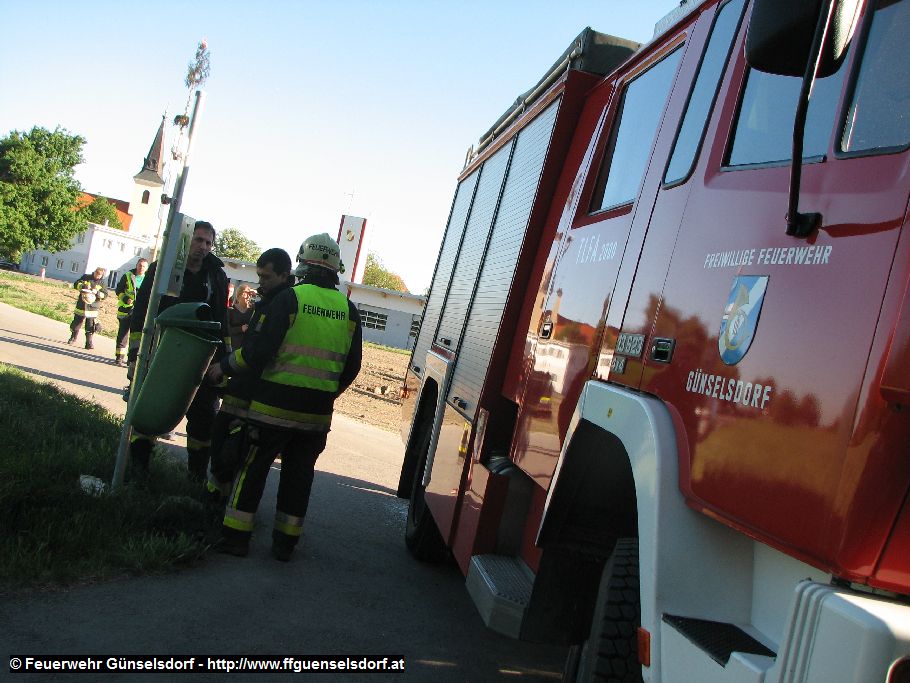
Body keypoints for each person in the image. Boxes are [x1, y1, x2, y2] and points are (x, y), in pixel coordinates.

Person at [207, 233, 362, 561]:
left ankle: (236, 537)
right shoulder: (348, 310)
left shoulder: (290, 299)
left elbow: (258, 352)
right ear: (335, 269)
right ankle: (284, 544)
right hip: (317, 415)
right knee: (299, 477)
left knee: (253, 468)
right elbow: (352, 367)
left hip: (272, 408)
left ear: (302, 264)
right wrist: (327, 393)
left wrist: (224, 367)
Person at [127, 221, 230, 481]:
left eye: (208, 242)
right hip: (163, 355)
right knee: (150, 412)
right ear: (187, 240)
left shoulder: (216, 276)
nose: (203, 247)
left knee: (204, 418)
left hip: (202, 358)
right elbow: (141, 313)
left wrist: (223, 363)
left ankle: (196, 478)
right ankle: (138, 472)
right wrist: (135, 357)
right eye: (198, 240)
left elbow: (222, 321)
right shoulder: (162, 269)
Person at [206, 248, 294, 499]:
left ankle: (216, 501)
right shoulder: (273, 300)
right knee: (224, 447)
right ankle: (216, 497)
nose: (261, 282)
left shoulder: (280, 303)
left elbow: (257, 351)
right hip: (244, 389)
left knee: (230, 453)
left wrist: (224, 367)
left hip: (251, 393)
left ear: (284, 275)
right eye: (259, 276)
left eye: (266, 277)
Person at [113, 258, 149, 366]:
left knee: (135, 336)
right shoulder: (128, 275)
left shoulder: (149, 278)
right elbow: (118, 290)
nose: (141, 268)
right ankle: (119, 357)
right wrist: (125, 299)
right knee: (123, 334)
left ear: (147, 268)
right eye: (140, 265)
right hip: (126, 310)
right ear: (136, 265)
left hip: (140, 312)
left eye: (144, 266)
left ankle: (131, 358)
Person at [67, 267, 108, 349]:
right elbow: (76, 284)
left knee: (90, 325)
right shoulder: (86, 277)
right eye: (96, 274)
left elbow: (105, 295)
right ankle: (73, 337)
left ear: (102, 275)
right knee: (76, 323)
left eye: (99, 275)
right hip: (82, 304)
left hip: (93, 306)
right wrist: (83, 286)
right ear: (94, 272)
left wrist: (97, 293)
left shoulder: (102, 283)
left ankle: (88, 343)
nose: (97, 276)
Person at [227, 283, 254, 350]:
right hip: (234, 345)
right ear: (239, 295)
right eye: (246, 294)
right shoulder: (231, 310)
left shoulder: (252, 309)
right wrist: (240, 329)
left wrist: (255, 292)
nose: (248, 297)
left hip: (247, 344)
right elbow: (227, 330)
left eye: (250, 294)